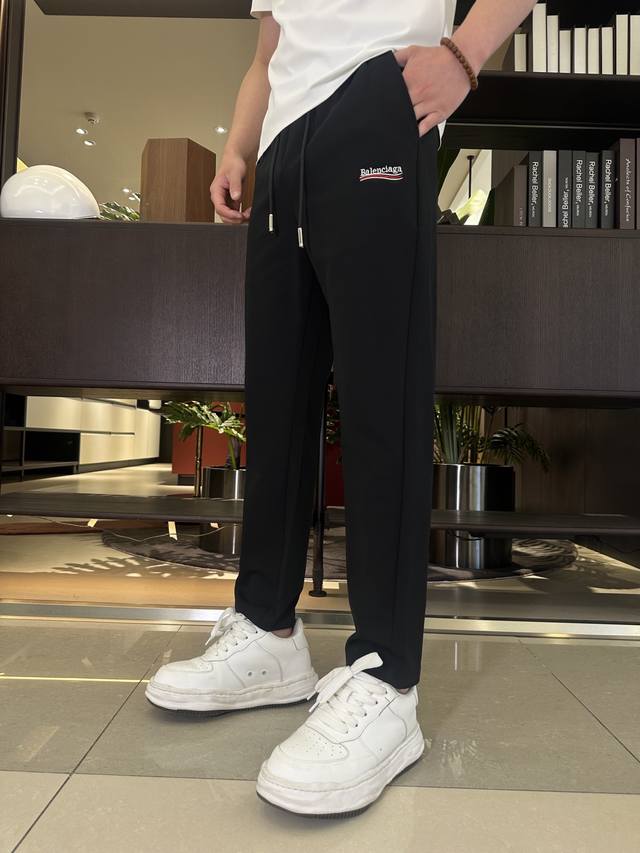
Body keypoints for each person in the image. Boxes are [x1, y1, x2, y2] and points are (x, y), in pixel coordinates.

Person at [146, 0, 539, 817]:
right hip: (282, 150)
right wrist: (240, 143)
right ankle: (267, 631)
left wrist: (463, 57)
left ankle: (388, 680)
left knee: (379, 400)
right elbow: (269, 51)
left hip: (377, 102)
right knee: (276, 401)